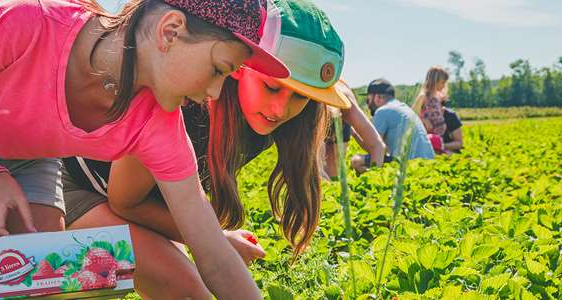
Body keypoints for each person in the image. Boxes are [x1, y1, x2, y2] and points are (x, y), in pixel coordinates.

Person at [0, 0, 288, 297]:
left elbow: (214, 254)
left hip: (30, 157)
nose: (214, 93)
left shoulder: (159, 124)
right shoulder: (32, 21)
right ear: (171, 31)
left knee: (39, 284)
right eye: (219, 70)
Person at [60, 0, 369, 297]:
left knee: (190, 282)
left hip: (122, 201)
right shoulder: (185, 101)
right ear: (239, 65)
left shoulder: (267, 118)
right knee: (180, 285)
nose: (279, 108)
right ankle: (28, 272)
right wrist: (213, 239)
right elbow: (124, 201)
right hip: (74, 186)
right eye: (271, 87)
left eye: (299, 97)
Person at [351, 78, 434, 174]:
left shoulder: (382, 111)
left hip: (410, 164)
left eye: (368, 100)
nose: (368, 105)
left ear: (377, 97)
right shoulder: (402, 107)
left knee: (356, 161)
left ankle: (378, 181)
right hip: (428, 162)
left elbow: (374, 148)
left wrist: (354, 133)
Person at [413, 66, 449, 153]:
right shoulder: (423, 96)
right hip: (427, 134)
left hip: (438, 135)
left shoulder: (437, 97)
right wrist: (424, 120)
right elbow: (412, 115)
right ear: (435, 81)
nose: (444, 85)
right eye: (442, 82)